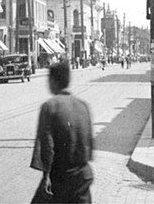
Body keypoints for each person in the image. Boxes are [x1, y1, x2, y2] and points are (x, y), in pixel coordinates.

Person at [30, 61, 94, 203]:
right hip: (83, 177)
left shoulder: (49, 107)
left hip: (61, 180)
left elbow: (47, 146)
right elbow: (89, 146)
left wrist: (46, 177)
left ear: (53, 81)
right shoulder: (83, 106)